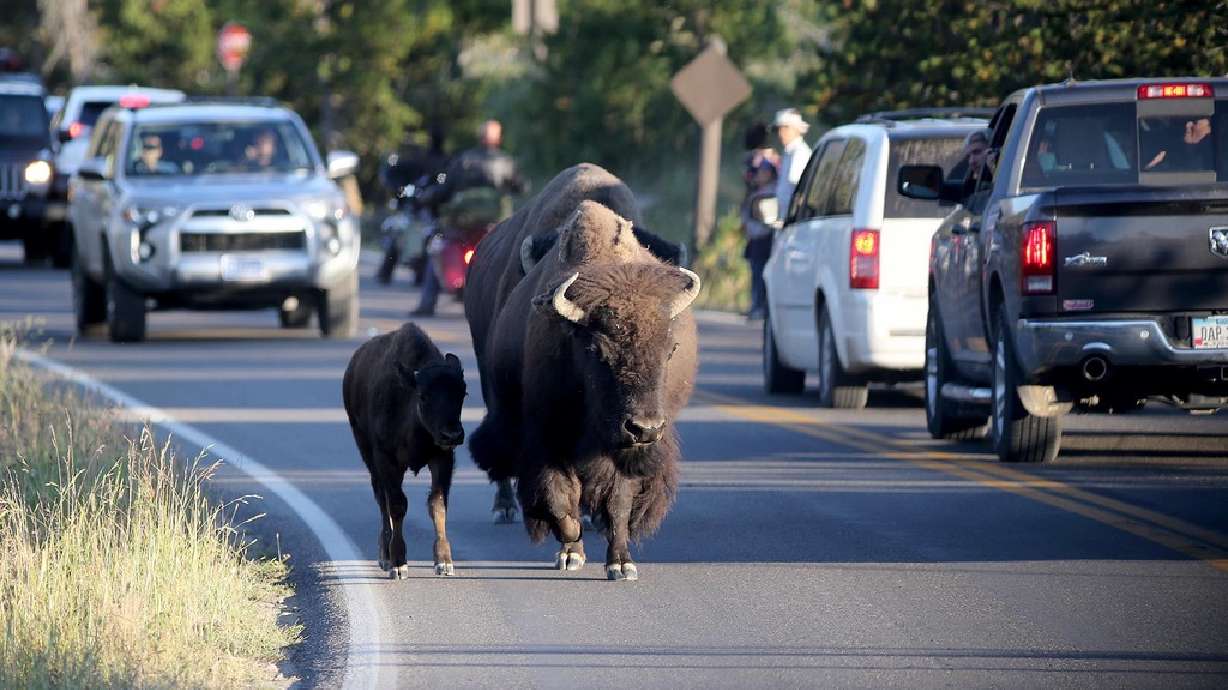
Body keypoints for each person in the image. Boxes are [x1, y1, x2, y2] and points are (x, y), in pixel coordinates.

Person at [411, 120, 524, 317]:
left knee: (436, 250)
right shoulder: (507, 162)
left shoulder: (463, 160)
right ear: (498, 139)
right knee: (514, 259)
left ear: (480, 137)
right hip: (496, 226)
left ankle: (427, 304)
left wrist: (428, 198)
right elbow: (521, 188)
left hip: (462, 225)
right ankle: (515, 309)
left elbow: (443, 191)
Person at [742, 158, 779, 320]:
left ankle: (761, 306)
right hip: (755, 239)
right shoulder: (755, 192)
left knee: (762, 275)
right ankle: (755, 304)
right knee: (755, 273)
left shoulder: (772, 192)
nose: (760, 175)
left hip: (766, 238)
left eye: (764, 172)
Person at [772, 108, 812, 215]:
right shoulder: (789, 152)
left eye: (786, 128)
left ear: (796, 129)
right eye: (779, 129)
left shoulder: (800, 153)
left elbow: (799, 189)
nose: (781, 133)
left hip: (792, 220)